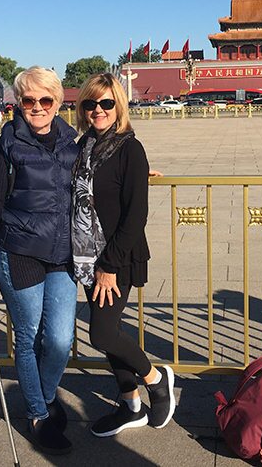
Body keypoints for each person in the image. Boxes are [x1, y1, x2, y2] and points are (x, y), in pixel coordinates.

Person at [0, 66, 79, 456]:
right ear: (19, 104)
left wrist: (138, 175)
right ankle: (39, 414)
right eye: (30, 100)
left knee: (59, 340)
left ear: (59, 103)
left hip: (62, 254)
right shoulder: (5, 146)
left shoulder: (73, 143)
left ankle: (41, 395)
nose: (38, 108)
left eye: (46, 100)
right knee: (28, 336)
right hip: (18, 251)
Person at [72, 73, 176, 437]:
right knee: (110, 330)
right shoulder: (84, 146)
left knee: (101, 335)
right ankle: (131, 404)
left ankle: (156, 379)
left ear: (118, 106)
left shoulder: (130, 148)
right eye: (90, 104)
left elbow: (136, 216)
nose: (98, 110)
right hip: (86, 255)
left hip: (117, 258)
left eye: (105, 103)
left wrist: (109, 266)